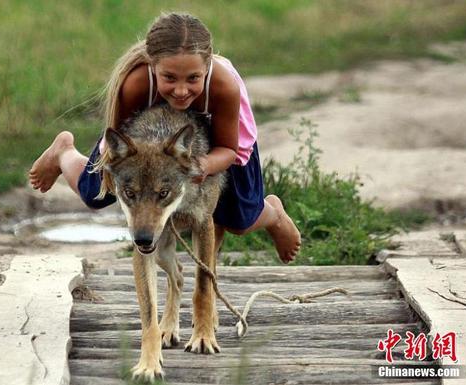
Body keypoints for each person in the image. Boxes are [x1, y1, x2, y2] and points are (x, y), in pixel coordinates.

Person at [29, 13, 301, 262]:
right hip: (150, 138)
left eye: (193, 78)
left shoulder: (223, 85)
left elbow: (228, 148)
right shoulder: (136, 83)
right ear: (153, 66)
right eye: (169, 78)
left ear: (207, 66)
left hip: (220, 141)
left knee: (239, 219)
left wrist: (202, 166)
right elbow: (118, 141)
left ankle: (274, 214)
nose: (181, 90)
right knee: (94, 195)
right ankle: (64, 151)